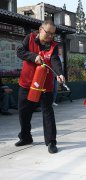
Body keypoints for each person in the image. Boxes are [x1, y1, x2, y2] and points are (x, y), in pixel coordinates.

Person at [16, 20, 65, 153]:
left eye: (52, 34)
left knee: (47, 112)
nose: (50, 36)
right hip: (26, 83)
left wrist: (59, 74)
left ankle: (51, 141)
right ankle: (26, 137)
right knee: (23, 112)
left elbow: (55, 62)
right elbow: (20, 51)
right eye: (47, 32)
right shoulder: (29, 38)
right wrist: (33, 56)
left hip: (45, 86)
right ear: (40, 29)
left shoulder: (53, 46)